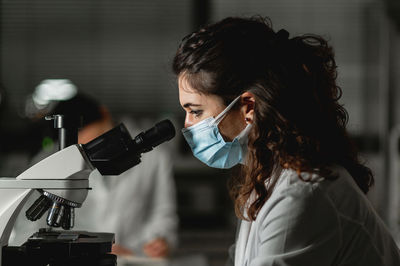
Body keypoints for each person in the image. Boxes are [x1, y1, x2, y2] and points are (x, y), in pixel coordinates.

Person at [172, 16, 400, 265]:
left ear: (248, 107)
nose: (187, 124)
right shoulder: (267, 177)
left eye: (195, 111)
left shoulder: (301, 193)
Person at [10, 94, 178, 258]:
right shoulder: (47, 160)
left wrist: (159, 241)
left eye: (96, 144)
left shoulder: (156, 157)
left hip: (134, 255)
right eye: (81, 147)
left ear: (104, 113)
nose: (92, 158)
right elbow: (27, 227)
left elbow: (163, 213)